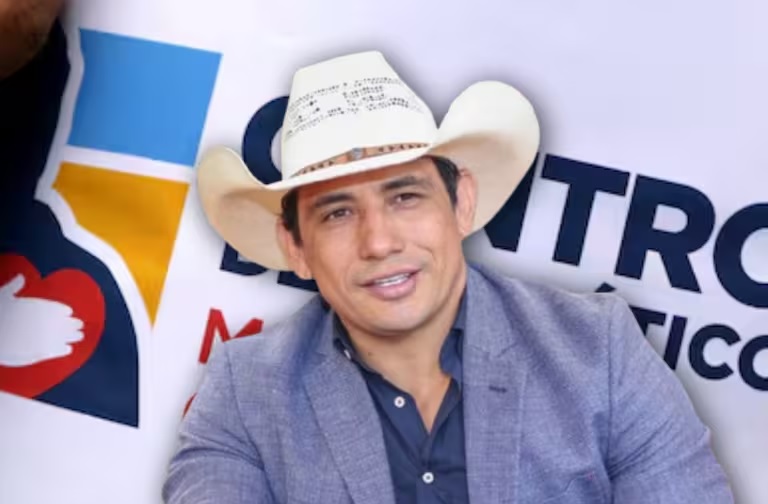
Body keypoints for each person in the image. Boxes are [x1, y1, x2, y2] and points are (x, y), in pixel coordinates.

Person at [162, 50, 734, 503]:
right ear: (297, 248)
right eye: (337, 213)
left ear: (461, 204)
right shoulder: (243, 394)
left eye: (405, 197)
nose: (379, 242)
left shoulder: (600, 351)